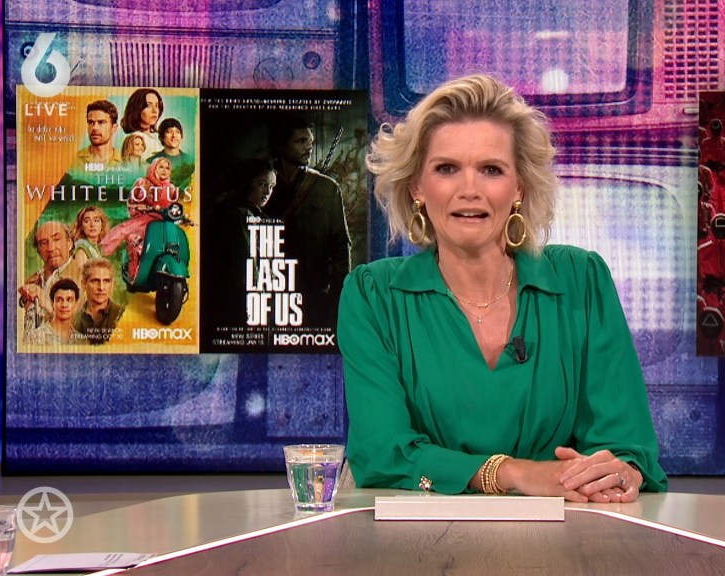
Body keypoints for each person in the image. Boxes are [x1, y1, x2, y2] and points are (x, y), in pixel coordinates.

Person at [338, 74, 667, 501]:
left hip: (567, 533)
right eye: (446, 169)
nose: (469, 190)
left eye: (491, 170)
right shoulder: (373, 297)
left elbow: (626, 446)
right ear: (417, 186)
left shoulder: (581, 281)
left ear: (518, 188)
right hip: (418, 537)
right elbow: (382, 454)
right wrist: (515, 473)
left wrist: (619, 473)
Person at [264, 116, 351, 329]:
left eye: (310, 142)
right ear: (281, 146)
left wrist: (338, 302)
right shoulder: (261, 185)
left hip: (315, 298)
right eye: (301, 141)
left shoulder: (327, 189)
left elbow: (341, 248)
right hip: (270, 296)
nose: (308, 147)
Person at [205, 159, 278, 326]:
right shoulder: (237, 216)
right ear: (247, 183)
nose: (268, 192)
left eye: (272, 186)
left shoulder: (254, 215)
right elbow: (245, 268)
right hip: (237, 304)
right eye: (262, 184)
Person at [101, 157, 178, 281]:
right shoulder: (142, 183)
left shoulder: (171, 188)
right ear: (153, 168)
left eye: (167, 168)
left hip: (164, 222)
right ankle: (135, 275)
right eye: (161, 167)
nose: (164, 170)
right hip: (143, 220)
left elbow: (175, 208)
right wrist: (141, 208)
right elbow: (131, 203)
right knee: (136, 241)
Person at [18, 220, 80, 331]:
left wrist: (46, 302)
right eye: (43, 243)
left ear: (69, 243)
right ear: (38, 250)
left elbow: (81, 330)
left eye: (56, 239)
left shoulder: (83, 278)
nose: (50, 248)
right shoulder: (33, 280)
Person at [73, 257, 125, 345]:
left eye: (106, 281)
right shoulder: (74, 320)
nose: (101, 287)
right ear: (84, 284)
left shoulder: (123, 316)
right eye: (95, 281)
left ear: (112, 285)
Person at [24, 278, 84, 345]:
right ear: (52, 303)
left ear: (76, 304)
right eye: (59, 300)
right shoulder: (34, 337)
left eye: (69, 300)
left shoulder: (81, 341)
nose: (64, 305)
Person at [146, 117, 195, 189]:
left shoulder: (190, 161)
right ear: (161, 137)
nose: (174, 135)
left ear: (181, 136)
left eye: (177, 132)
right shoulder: (150, 162)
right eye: (169, 132)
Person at [73, 100, 121, 167]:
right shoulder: (73, 160)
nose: (94, 128)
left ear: (114, 128)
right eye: (91, 122)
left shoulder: (125, 161)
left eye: (101, 122)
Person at [120, 88, 164, 158]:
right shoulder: (135, 139)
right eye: (148, 105)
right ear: (137, 108)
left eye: (156, 105)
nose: (155, 111)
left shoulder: (158, 136)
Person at [70, 205, 110, 270]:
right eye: (87, 221)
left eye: (96, 220)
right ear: (81, 226)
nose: (92, 225)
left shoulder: (96, 248)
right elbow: (81, 275)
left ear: (102, 225)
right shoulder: (82, 250)